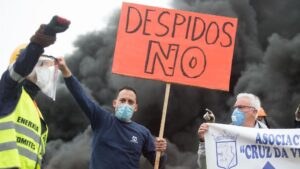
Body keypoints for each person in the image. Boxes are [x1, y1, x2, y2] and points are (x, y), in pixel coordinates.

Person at [56, 57, 167, 169]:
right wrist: (64, 69)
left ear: (135, 107)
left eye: (130, 102)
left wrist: (161, 152)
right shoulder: (101, 119)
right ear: (115, 103)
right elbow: (81, 95)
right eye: (122, 100)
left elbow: (158, 164)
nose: (126, 104)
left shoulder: (143, 132)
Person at [0, 16, 70, 168]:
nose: (44, 70)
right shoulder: (7, 91)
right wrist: (40, 42)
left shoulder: (37, 113)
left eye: (46, 66)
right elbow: (21, 67)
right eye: (41, 64)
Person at [197, 93, 268, 169]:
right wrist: (204, 142)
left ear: (254, 112)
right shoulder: (225, 135)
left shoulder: (268, 135)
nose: (236, 111)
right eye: (236, 107)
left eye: (241, 107)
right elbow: (205, 166)